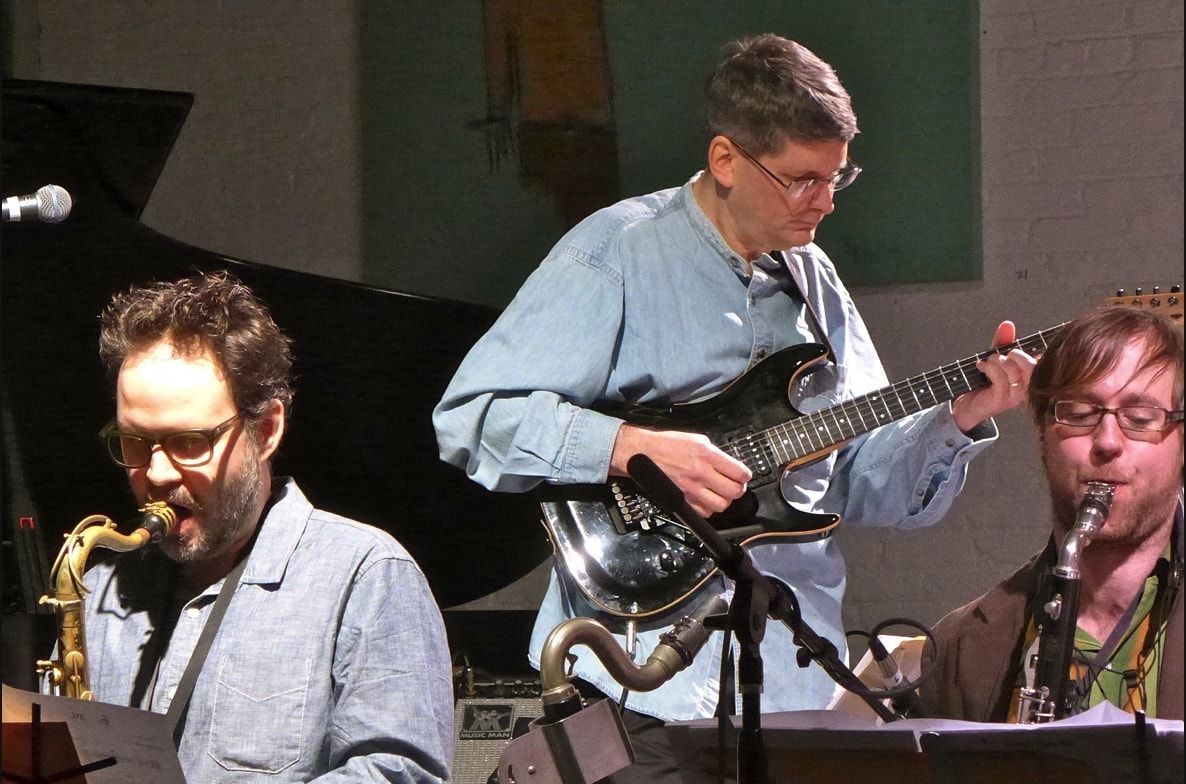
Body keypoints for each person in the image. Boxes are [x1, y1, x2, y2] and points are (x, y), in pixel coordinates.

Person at [433, 32, 1031, 775]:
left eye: (837, 178)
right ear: (725, 159)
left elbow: (861, 484)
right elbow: (473, 418)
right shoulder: (616, 251)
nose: (825, 202)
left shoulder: (816, 281)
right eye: (802, 180)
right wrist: (629, 448)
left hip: (789, 684)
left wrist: (959, 417)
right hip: (641, 680)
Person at [67, 272, 453, 782]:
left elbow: (401, 774)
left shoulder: (367, 575)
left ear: (266, 429)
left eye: (188, 442)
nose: (157, 473)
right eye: (135, 442)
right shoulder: (96, 592)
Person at [920, 306, 1183, 722]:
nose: (1108, 441)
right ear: (1041, 435)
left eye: (1139, 418)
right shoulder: (957, 650)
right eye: (1079, 413)